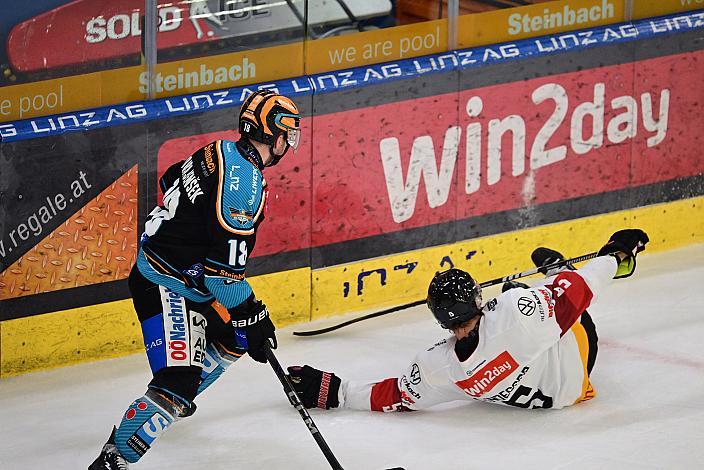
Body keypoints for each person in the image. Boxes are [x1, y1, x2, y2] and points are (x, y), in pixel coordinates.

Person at [89, 90, 301, 469]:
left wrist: (247, 320)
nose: (289, 142)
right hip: (165, 281)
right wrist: (254, 311)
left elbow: (171, 179)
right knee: (180, 380)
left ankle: (172, 401)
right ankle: (115, 457)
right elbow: (224, 280)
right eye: (287, 132)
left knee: (235, 337)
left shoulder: (218, 149)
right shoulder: (245, 185)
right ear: (273, 135)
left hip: (182, 275)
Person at [287, 229, 649, 413]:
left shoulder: (437, 367)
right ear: (477, 300)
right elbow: (581, 289)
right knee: (528, 291)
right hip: (578, 362)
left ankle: (550, 277)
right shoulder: (513, 315)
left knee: (531, 299)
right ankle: (554, 271)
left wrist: (334, 392)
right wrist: (615, 254)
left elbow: (395, 394)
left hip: (548, 399)